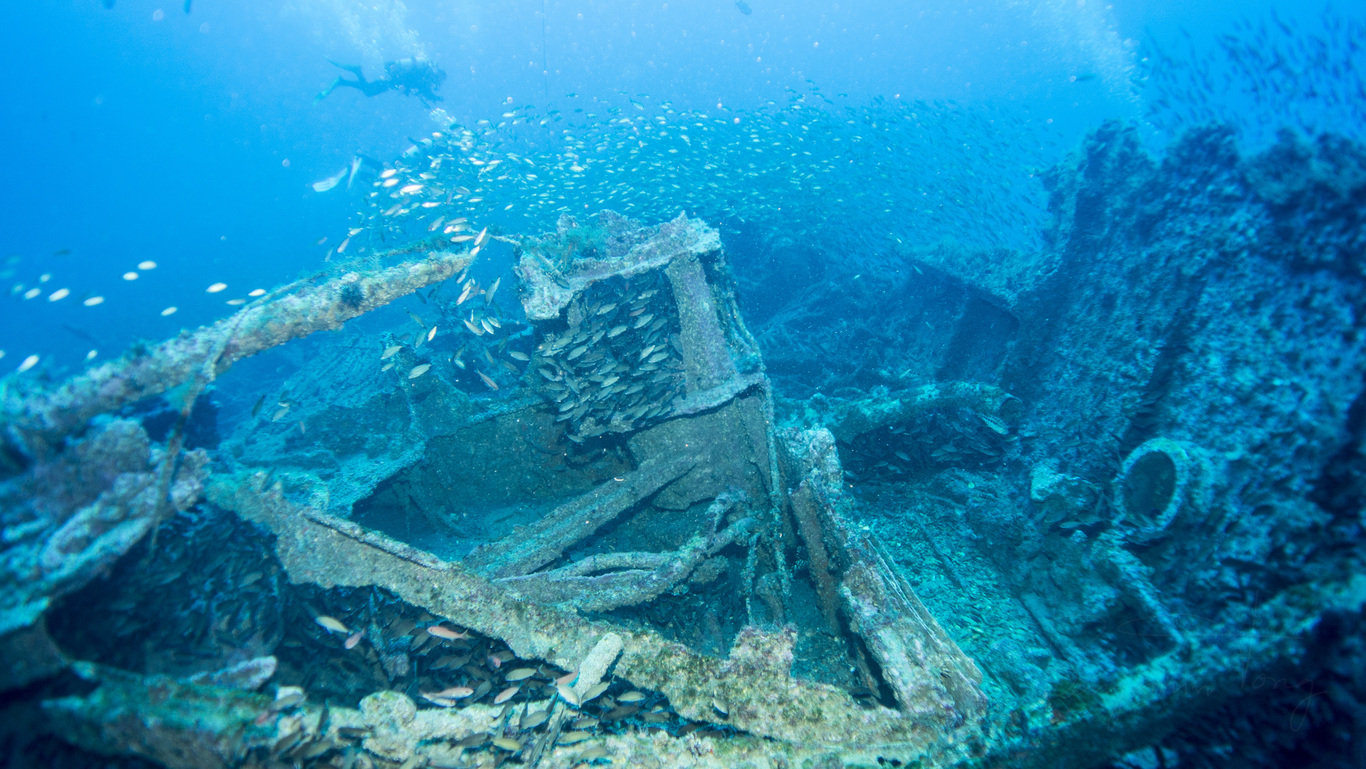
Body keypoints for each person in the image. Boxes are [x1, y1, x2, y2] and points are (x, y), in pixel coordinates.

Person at [315, 57, 446, 105]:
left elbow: (424, 91)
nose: (438, 82)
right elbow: (410, 78)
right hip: (392, 80)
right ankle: (356, 72)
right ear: (438, 74)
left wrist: (436, 98)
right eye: (440, 79)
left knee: (368, 90)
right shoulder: (425, 74)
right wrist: (403, 85)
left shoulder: (426, 77)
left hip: (392, 81)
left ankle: (343, 81)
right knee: (368, 91)